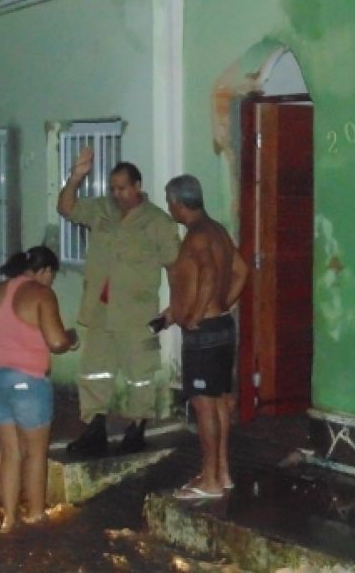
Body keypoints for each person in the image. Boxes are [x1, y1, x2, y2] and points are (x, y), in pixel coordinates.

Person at [57, 147, 180, 456]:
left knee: (140, 374)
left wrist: (174, 308)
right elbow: (66, 208)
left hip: (137, 314)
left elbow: (175, 266)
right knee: (94, 371)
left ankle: (136, 428)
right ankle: (94, 428)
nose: (117, 194)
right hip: (99, 310)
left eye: (122, 188)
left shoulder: (158, 222)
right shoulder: (102, 209)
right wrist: (76, 177)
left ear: (137, 186)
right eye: (113, 188)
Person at [0, 246, 78, 533]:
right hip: (28, 382)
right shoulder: (41, 294)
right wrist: (71, 339)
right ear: (44, 271)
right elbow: (56, 341)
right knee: (35, 453)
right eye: (52, 275)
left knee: (9, 451)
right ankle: (35, 514)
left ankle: (8, 518)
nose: (51, 281)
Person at [164, 175, 248, 500]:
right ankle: (221, 472)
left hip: (206, 333)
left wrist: (197, 316)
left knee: (203, 405)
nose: (169, 207)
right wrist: (224, 304)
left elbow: (210, 275)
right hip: (223, 325)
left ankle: (210, 480)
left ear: (178, 203)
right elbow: (241, 271)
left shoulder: (198, 236)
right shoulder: (217, 231)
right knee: (218, 401)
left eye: (169, 202)